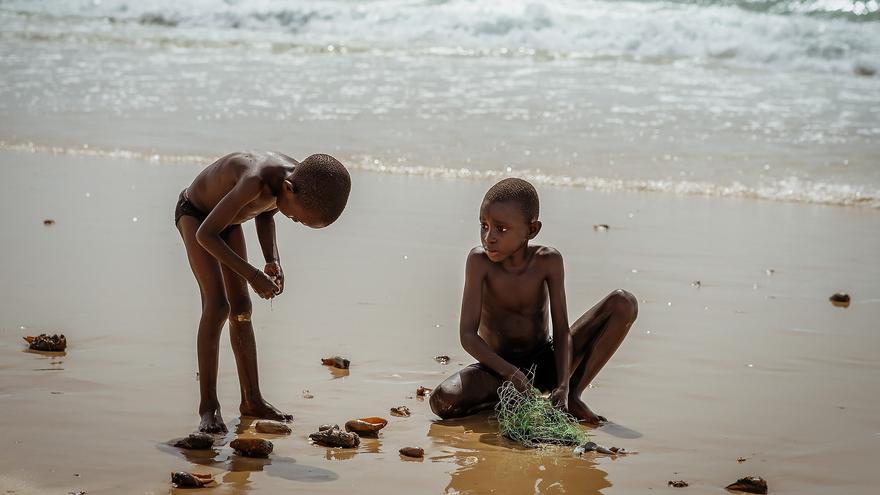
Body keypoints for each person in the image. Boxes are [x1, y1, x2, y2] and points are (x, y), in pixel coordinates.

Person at [429, 178, 637, 424]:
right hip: (499, 370)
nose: (489, 237)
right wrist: (512, 374)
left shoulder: (547, 261)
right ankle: (510, 398)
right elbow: (468, 336)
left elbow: (562, 331)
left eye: (500, 229)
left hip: (546, 363)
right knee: (442, 400)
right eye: (484, 226)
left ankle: (573, 397)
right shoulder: (478, 263)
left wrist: (564, 385)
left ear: (532, 230)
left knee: (624, 302)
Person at [175, 151, 351, 433]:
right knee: (218, 305)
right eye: (296, 219)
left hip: (228, 222)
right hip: (197, 216)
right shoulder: (255, 180)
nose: (293, 220)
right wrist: (253, 275)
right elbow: (205, 235)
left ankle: (252, 400)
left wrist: (273, 261)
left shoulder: (293, 179)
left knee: (242, 308)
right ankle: (208, 407)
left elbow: (266, 214)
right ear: (289, 189)